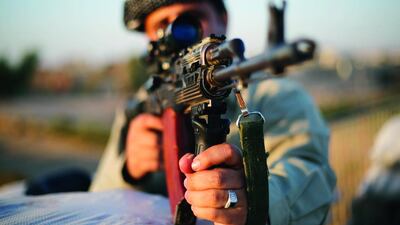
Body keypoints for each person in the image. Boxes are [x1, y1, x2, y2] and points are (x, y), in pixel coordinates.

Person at [90, 1, 337, 224]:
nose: (178, 30)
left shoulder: (277, 95)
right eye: (162, 23)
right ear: (149, 37)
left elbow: (312, 175)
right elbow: (93, 200)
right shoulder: (139, 106)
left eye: (192, 15)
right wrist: (128, 171)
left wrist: (255, 203)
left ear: (223, 19)